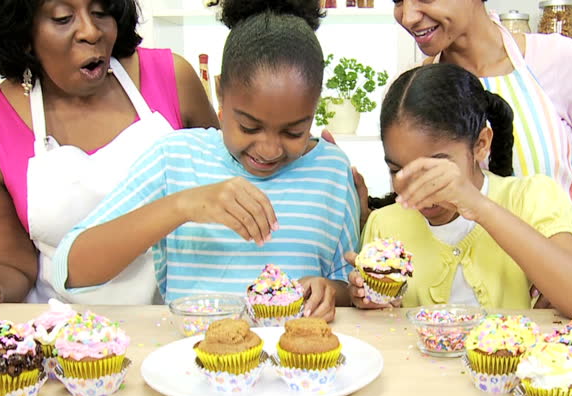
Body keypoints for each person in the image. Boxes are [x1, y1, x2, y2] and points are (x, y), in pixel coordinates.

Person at [52, 0, 359, 322]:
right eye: (249, 127)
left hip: (293, 351)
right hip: (192, 350)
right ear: (220, 93)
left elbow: (350, 284)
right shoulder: (175, 158)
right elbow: (69, 270)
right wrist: (182, 206)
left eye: (293, 132)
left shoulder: (332, 170)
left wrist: (329, 290)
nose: (269, 150)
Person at [0, 0, 219, 309]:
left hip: (186, 317)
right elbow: (9, 261)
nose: (91, 31)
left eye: (100, 12)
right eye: (63, 18)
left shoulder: (172, 77)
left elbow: (226, 188)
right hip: (64, 326)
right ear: (22, 33)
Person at [378, 0, 572, 303]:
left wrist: (570, 258)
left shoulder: (558, 59)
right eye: (398, 1)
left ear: (483, 142)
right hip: (495, 300)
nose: (408, 17)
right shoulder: (413, 92)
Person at [347, 63, 572, 318]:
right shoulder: (385, 224)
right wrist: (369, 300)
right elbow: (379, 323)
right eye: (397, 170)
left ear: (481, 144)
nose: (418, 187)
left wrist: (478, 206)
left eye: (432, 170)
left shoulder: (531, 197)